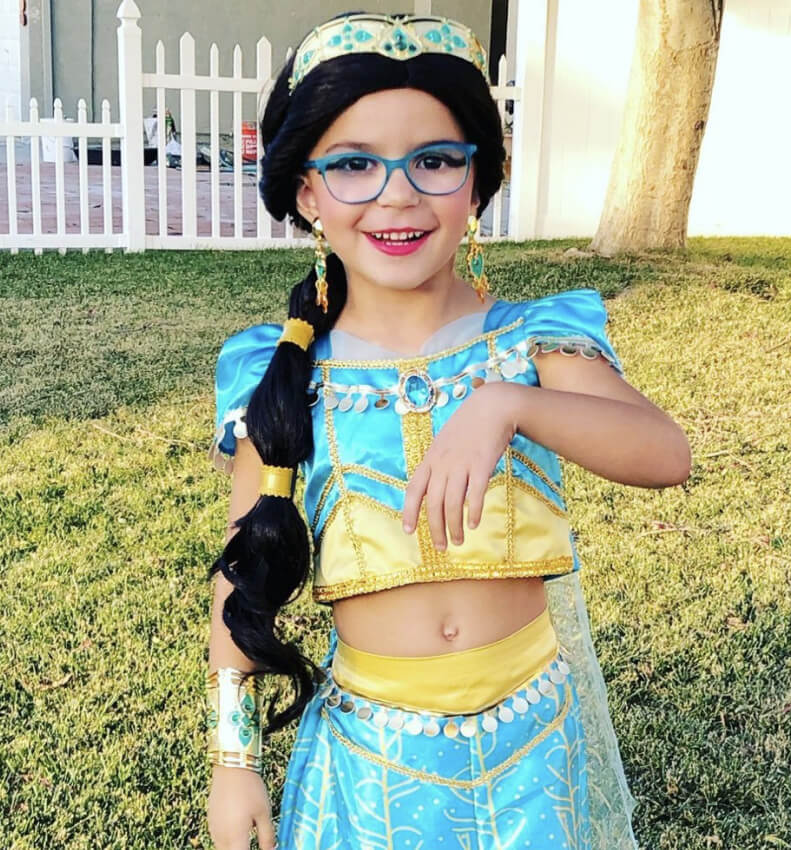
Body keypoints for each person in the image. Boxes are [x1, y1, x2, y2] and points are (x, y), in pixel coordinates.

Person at [205, 11, 691, 850]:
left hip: (536, 746)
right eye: (354, 165)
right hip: (371, 763)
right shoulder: (278, 372)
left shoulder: (532, 339)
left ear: (478, 182)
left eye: (434, 160)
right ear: (306, 193)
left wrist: (511, 404)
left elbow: (665, 453)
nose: (398, 195)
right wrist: (233, 761)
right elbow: (240, 575)